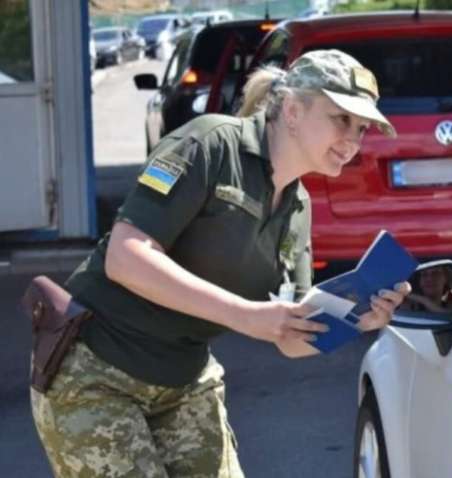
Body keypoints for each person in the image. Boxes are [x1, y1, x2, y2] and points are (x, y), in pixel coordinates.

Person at [30, 49, 411, 477]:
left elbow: (290, 338)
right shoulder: (210, 145)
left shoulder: (298, 207)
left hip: (183, 380)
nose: (352, 140)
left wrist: (359, 321)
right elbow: (125, 255)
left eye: (361, 128)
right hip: (98, 372)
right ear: (291, 110)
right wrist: (246, 315)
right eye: (341, 119)